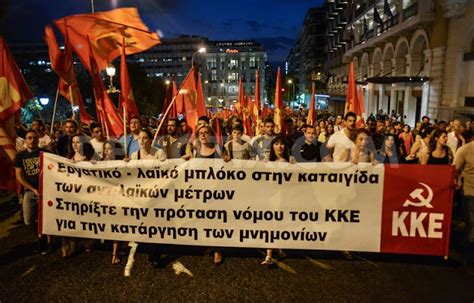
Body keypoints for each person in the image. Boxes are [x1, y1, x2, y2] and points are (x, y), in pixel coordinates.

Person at [14, 129, 52, 254]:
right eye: (29, 138)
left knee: (46, 217)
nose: (32, 140)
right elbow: (19, 176)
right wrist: (32, 189)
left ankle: (45, 240)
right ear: (25, 140)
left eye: (34, 138)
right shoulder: (20, 156)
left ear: (38, 140)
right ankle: (41, 235)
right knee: (28, 219)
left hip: (46, 191)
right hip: (30, 192)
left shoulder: (45, 153)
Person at [262, 135, 290, 266]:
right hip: (270, 197)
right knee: (270, 225)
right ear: (272, 146)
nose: (280, 146)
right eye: (277, 144)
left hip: (284, 197)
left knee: (278, 224)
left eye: (282, 144)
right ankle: (269, 254)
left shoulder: (289, 161)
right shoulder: (267, 161)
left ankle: (276, 247)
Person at [454, 132, 474, 247]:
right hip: (469, 190)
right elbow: (455, 169)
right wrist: (459, 180)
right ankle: (470, 245)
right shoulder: (465, 150)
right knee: (471, 220)